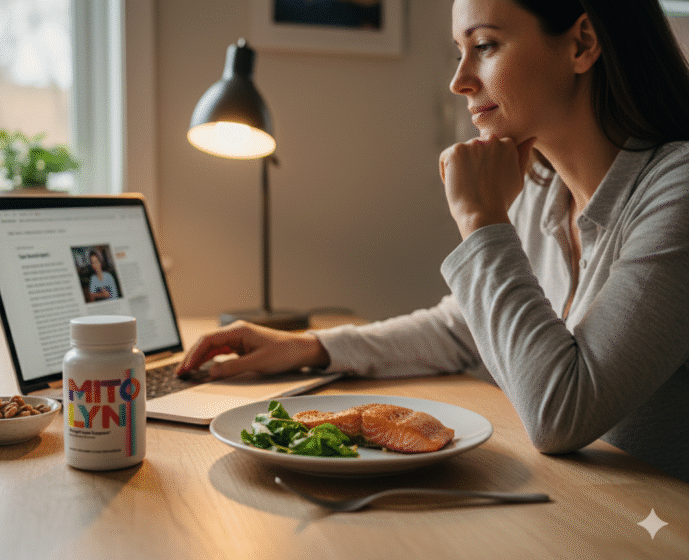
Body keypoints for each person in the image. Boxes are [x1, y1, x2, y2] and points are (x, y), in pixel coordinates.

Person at [178, 0, 689, 482]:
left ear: (581, 44)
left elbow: (562, 413)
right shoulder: (543, 185)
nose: (460, 80)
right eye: (458, 51)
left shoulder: (678, 191)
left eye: (485, 46)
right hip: (578, 509)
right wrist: (308, 348)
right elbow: (462, 327)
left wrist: (482, 219)